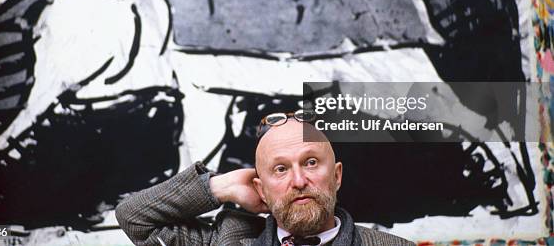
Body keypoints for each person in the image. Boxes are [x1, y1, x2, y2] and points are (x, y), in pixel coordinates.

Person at [116, 112, 414, 245]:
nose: (298, 180)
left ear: (336, 176)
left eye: (310, 163)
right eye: (280, 169)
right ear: (261, 188)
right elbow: (134, 218)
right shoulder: (227, 239)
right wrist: (221, 187)